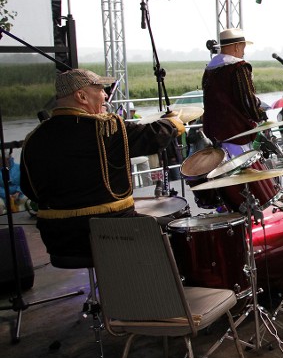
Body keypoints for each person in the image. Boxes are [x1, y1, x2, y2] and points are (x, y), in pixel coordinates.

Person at [20, 68, 185, 259]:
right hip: (111, 234)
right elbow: (151, 137)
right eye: (99, 90)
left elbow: (30, 190)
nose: (105, 95)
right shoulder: (105, 129)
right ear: (81, 96)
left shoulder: (34, 138)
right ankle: (148, 286)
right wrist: (172, 123)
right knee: (177, 232)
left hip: (58, 239)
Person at [201, 28, 266, 156]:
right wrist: (260, 115)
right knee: (244, 170)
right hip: (236, 133)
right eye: (243, 48)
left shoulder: (209, 70)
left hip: (214, 133)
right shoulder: (238, 68)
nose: (243, 52)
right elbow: (247, 100)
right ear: (236, 46)